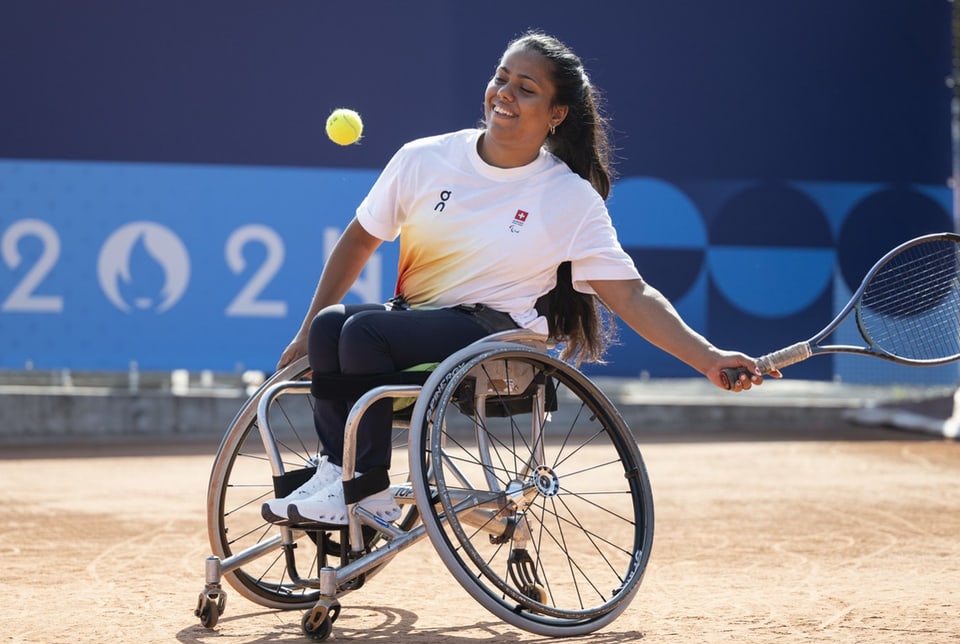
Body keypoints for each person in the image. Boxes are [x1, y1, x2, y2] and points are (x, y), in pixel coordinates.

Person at [261, 30, 777, 526]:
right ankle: (339, 472)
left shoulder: (569, 197)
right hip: (418, 327)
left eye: (525, 89)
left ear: (556, 115)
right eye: (501, 78)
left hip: (496, 337)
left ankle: (366, 490)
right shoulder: (424, 158)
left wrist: (707, 358)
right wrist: (306, 330)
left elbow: (632, 294)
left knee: (361, 331)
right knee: (331, 326)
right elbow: (359, 239)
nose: (504, 94)